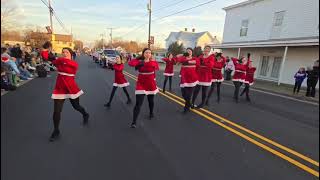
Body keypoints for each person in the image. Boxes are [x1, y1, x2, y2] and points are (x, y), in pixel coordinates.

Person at [49, 47, 89, 142]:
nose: (64, 53)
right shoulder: (61, 61)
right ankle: (56, 130)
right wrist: (48, 54)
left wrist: (57, 59)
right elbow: (50, 59)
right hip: (60, 89)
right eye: (62, 52)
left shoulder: (74, 63)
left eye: (66, 52)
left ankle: (85, 114)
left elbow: (58, 62)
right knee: (56, 111)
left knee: (76, 106)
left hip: (71, 88)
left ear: (71, 54)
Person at [128, 48, 159, 128]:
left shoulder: (154, 62)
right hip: (141, 84)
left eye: (149, 53)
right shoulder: (139, 61)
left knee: (151, 101)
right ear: (143, 54)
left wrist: (154, 81)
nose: (148, 54)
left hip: (150, 84)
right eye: (146, 52)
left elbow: (155, 70)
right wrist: (138, 59)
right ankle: (134, 122)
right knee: (138, 103)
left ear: (151, 54)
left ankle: (151, 112)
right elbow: (130, 63)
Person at [176, 48, 199, 113]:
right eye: (187, 51)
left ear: (192, 52)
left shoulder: (195, 58)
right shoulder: (183, 58)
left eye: (190, 51)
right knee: (184, 94)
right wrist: (182, 55)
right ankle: (190, 104)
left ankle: (186, 108)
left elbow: (196, 62)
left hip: (192, 79)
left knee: (189, 95)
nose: (189, 52)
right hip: (184, 79)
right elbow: (177, 59)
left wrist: (187, 61)